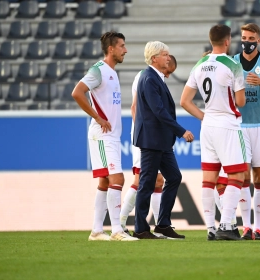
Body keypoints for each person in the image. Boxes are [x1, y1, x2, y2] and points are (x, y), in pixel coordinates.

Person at [180, 24, 247, 241]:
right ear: (227, 41)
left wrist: (204, 117)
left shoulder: (199, 65)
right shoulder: (233, 65)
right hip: (227, 124)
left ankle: (210, 228)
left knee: (209, 179)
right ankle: (226, 225)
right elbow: (240, 101)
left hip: (207, 125)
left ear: (211, 41)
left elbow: (184, 101)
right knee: (237, 174)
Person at [72, 31, 138, 241]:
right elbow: (77, 92)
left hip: (111, 136)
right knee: (117, 178)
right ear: (111, 49)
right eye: (122, 46)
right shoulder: (99, 70)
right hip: (103, 135)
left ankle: (97, 231)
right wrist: (98, 117)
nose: (125, 50)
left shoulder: (112, 72)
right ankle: (117, 230)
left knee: (104, 181)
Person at [215, 23, 260, 241]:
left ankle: (259, 228)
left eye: (251, 38)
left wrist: (259, 81)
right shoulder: (232, 62)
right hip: (240, 126)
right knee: (242, 177)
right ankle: (247, 226)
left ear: (258, 40)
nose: (247, 42)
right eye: (243, 37)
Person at [133, 41, 194, 240]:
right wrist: (181, 131)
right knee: (147, 183)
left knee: (174, 177)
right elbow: (159, 111)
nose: (169, 58)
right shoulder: (149, 78)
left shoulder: (154, 77)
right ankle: (141, 228)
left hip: (161, 141)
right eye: (165, 55)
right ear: (154, 58)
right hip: (152, 140)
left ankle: (163, 224)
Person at [120, 55, 177, 233]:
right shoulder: (144, 77)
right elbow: (135, 107)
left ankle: (160, 225)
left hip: (156, 135)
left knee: (159, 181)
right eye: (168, 71)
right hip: (146, 134)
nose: (168, 75)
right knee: (141, 179)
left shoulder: (157, 78)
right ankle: (120, 223)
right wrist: (142, 132)